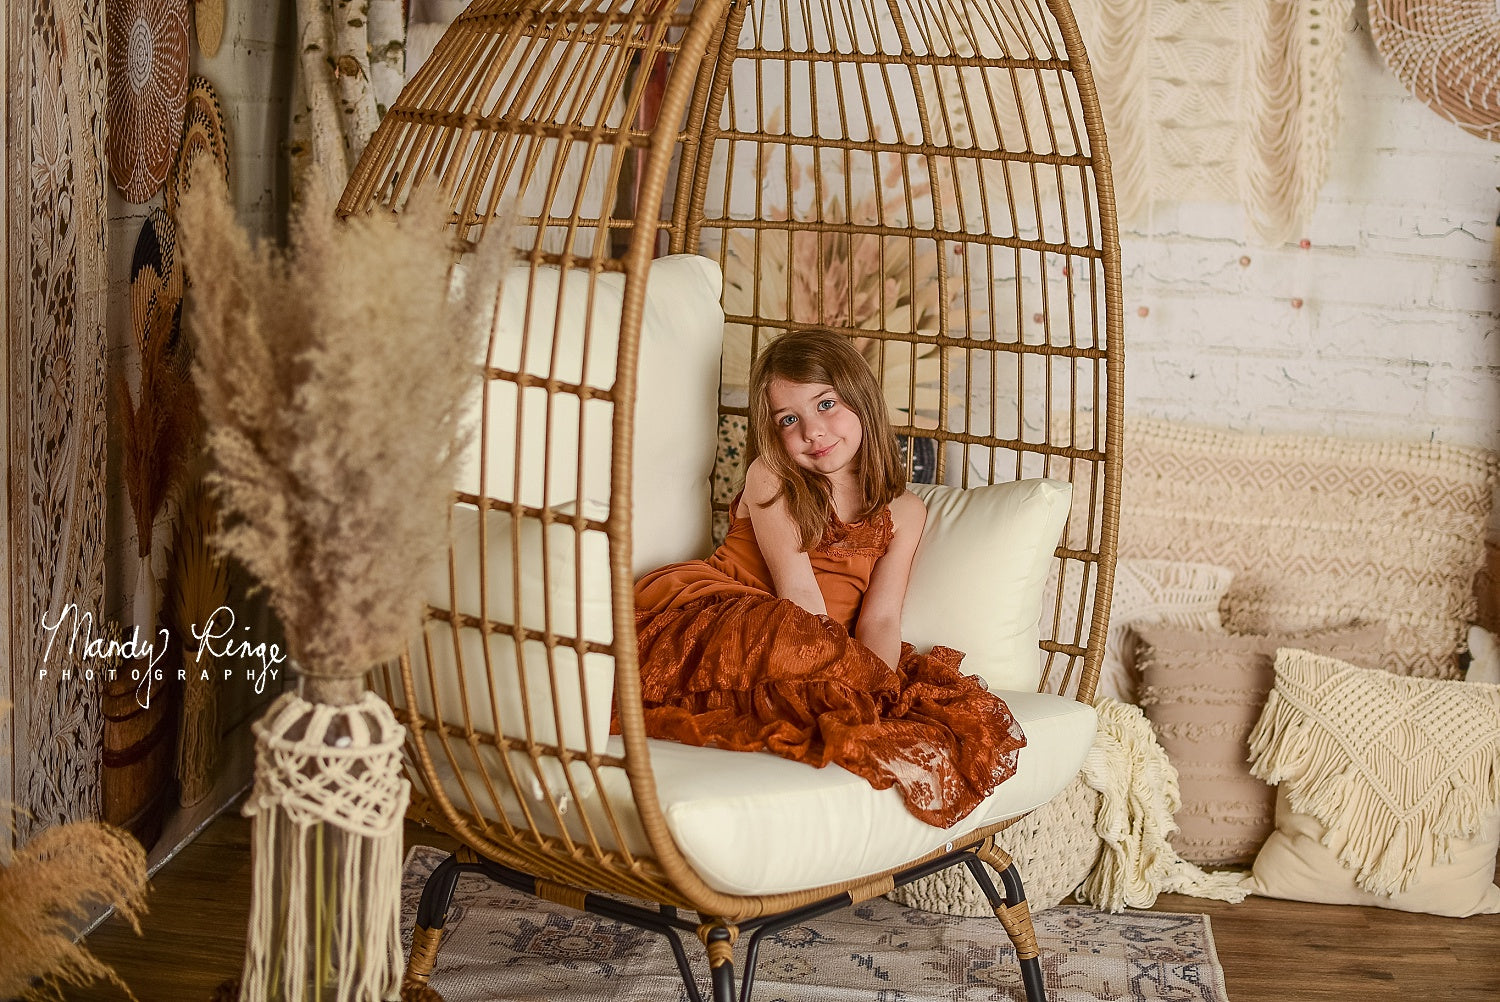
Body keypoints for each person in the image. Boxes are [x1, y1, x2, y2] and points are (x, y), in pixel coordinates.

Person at [625, 329, 1025, 828]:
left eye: (826, 404)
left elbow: (879, 616)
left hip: (823, 643)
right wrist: (844, 680)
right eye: (789, 419)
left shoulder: (903, 511)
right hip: (743, 617)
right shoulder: (771, 476)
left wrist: (878, 690)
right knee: (790, 642)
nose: (812, 431)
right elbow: (798, 596)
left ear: (860, 399)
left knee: (915, 710)